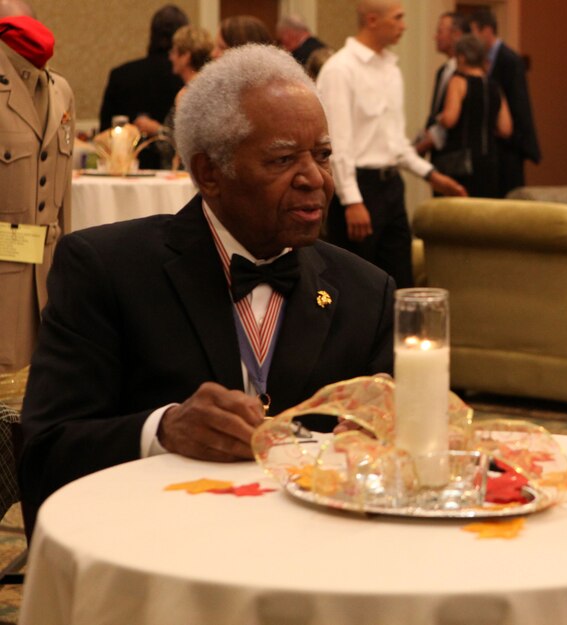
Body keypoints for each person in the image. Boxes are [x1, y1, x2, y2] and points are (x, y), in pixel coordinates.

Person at [18, 44, 395, 539]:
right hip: (158, 556)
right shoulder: (107, 270)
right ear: (210, 173)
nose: (315, 180)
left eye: (322, 155)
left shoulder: (366, 292)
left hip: (316, 562)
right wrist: (162, 430)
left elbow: (406, 451)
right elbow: (45, 453)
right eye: (283, 159)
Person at [316, 0, 465, 290]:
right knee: (356, 286)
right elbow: (338, 144)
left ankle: (396, 337)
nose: (404, 25)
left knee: (399, 282)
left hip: (391, 188)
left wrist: (432, 175)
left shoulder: (391, 69)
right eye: (398, 18)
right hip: (360, 188)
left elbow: (396, 144)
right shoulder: (340, 70)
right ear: (372, 20)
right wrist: (352, 200)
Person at [0, 1, 76, 376]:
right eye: (14, 27)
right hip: (3, 281)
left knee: (46, 385)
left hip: (47, 277)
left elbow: (65, 200)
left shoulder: (61, 90)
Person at [98, 4, 187, 169]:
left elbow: (105, 132)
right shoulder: (185, 81)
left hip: (126, 168)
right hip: (174, 173)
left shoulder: (121, 74)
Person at [468, 9, 540, 196]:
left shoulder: (510, 60)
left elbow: (520, 104)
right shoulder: (482, 61)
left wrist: (514, 137)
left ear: (487, 30)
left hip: (510, 145)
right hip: (494, 147)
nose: (471, 38)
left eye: (473, 31)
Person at [435, 35, 512, 198]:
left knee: (457, 215)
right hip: (489, 160)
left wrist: (439, 118)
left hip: (461, 162)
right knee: (482, 215)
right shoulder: (494, 86)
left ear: (462, 57)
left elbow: (450, 119)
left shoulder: (458, 81)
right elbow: (506, 128)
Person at [413, 11, 467, 158]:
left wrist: (418, 148)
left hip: (458, 158)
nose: (435, 37)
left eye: (440, 31)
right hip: (441, 157)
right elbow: (435, 114)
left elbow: (450, 121)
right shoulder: (443, 71)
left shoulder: (465, 74)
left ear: (457, 35)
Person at [158, 24, 212, 170]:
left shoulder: (186, 94)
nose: (171, 57)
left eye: (174, 51)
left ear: (186, 56)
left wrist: (155, 130)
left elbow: (179, 144)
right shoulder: (212, 86)